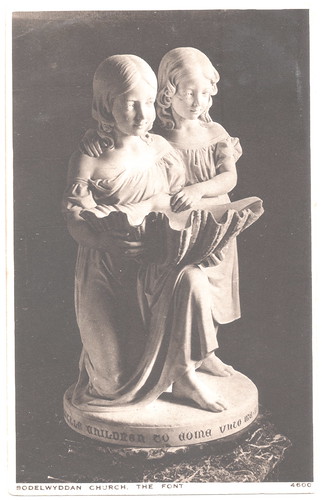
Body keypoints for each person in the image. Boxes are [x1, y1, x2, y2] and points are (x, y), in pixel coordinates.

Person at [69, 53, 263, 413]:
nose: (144, 116)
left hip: (153, 262)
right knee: (109, 384)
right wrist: (102, 240)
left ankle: (187, 376)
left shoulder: (159, 148)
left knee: (193, 280)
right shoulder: (90, 155)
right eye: (131, 104)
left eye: (147, 102)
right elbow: (74, 217)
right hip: (109, 268)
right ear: (106, 104)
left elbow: (176, 200)